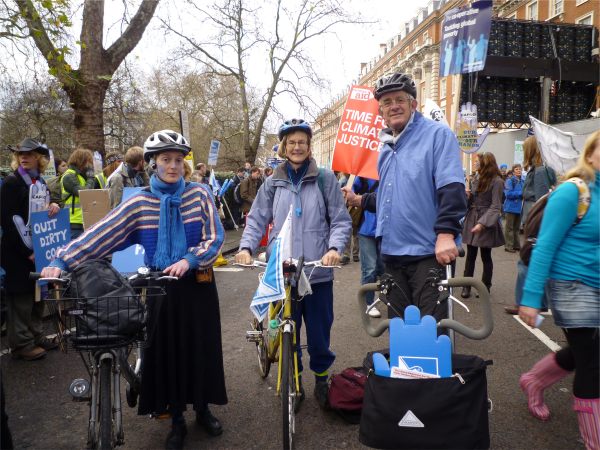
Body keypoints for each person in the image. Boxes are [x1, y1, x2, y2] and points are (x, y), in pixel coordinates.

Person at [41, 130, 227, 450]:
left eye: (178, 160)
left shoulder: (199, 195)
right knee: (166, 355)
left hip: (197, 286)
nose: (172, 166)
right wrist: (62, 261)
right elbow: (101, 234)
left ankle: (202, 408)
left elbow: (214, 236)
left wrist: (190, 259)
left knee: (200, 350)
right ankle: (177, 419)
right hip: (160, 288)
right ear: (152, 163)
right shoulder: (140, 201)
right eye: (165, 160)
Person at [235, 118, 351, 409]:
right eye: (291, 142)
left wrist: (335, 248)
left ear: (309, 146)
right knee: (289, 330)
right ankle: (294, 382)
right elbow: (258, 218)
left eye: (302, 142)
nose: (297, 147)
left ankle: (322, 380)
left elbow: (339, 219)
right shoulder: (273, 181)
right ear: (284, 147)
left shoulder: (325, 179)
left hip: (316, 271)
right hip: (282, 270)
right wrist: (247, 247)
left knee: (319, 335)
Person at [344, 72, 466, 322]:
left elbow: (452, 188)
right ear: (381, 112)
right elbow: (391, 198)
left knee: (431, 335)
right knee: (400, 333)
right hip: (391, 255)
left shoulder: (437, 135)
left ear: (413, 104)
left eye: (400, 99)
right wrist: (360, 200)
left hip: (427, 253)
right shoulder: (386, 148)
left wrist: (445, 234)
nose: (394, 106)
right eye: (387, 103)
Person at [518, 130, 599, 449]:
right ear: (590, 154)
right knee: (592, 362)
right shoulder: (573, 191)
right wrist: (530, 299)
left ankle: (534, 380)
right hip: (571, 285)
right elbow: (545, 246)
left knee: (586, 354)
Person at [0, 138, 60, 360]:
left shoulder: (40, 182)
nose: (24, 157)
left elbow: (43, 212)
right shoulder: (12, 183)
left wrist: (53, 206)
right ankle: (21, 344)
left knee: (38, 296)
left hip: (38, 249)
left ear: (39, 158)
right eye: (20, 154)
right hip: (17, 253)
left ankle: (36, 335)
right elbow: (8, 221)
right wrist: (27, 252)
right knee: (21, 299)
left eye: (29, 154)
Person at [460, 152, 505, 298]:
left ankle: (485, 287)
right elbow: (471, 202)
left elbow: (496, 206)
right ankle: (466, 286)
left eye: (477, 162)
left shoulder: (497, 181)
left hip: (486, 221)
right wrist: (467, 196)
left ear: (485, 164)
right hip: (473, 217)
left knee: (486, 256)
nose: (475, 164)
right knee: (470, 255)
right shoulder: (475, 178)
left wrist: (483, 223)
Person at [353, 176, 383, 318]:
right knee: (370, 268)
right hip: (367, 228)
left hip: (387, 228)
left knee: (385, 269)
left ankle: (388, 299)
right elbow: (351, 190)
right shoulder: (364, 173)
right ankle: (369, 302)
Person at [521, 136, 557, 227]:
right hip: (533, 216)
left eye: (525, 149)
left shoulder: (540, 170)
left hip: (535, 218)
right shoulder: (539, 168)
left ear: (530, 151)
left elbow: (541, 201)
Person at [61, 148, 96, 239]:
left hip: (84, 221)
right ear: (81, 161)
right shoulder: (69, 176)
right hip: (74, 222)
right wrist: (91, 178)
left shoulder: (81, 176)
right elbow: (85, 195)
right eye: (89, 161)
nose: (90, 165)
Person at [503, 163, 524, 253]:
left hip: (519, 208)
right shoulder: (510, 181)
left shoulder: (523, 181)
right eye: (516, 169)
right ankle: (508, 246)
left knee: (516, 228)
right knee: (509, 228)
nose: (519, 170)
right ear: (513, 171)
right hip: (510, 207)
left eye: (520, 169)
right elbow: (508, 194)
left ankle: (516, 245)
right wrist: (521, 193)